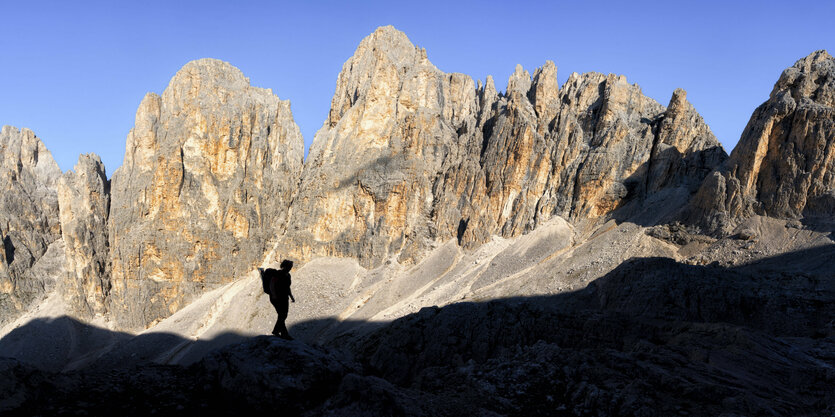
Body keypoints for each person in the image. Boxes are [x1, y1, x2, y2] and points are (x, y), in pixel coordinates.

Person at [267, 259, 295, 340]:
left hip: (284, 297)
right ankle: (281, 333)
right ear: (285, 266)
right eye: (289, 266)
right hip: (276, 298)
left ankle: (281, 333)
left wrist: (291, 296)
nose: (290, 268)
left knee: (283, 315)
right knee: (282, 315)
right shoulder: (278, 274)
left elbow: (287, 287)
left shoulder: (288, 275)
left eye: (291, 266)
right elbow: (272, 284)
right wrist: (274, 295)